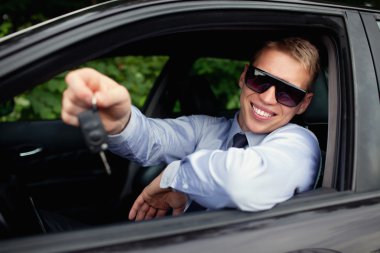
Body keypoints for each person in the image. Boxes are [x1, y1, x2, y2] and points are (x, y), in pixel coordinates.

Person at [62, 37, 321, 222]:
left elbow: (242, 182)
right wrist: (119, 121)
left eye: (288, 93)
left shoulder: (299, 144)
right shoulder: (207, 128)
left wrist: (174, 177)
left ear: (303, 104)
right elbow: (151, 138)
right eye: (261, 80)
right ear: (244, 76)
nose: (268, 98)